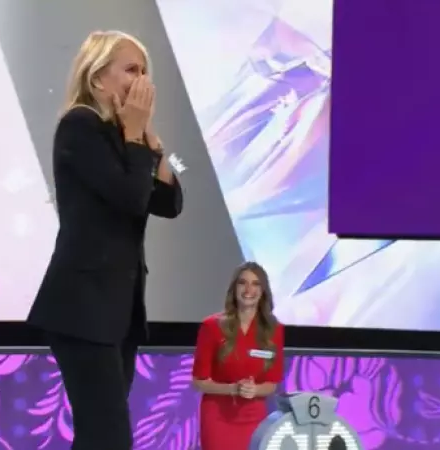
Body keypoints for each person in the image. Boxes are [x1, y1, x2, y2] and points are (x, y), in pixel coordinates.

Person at [27, 30, 183, 450]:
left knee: (99, 436)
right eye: (131, 70)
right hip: (83, 306)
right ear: (98, 78)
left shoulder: (123, 136)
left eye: (145, 71)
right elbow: (131, 197)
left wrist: (149, 138)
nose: (142, 80)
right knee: (108, 437)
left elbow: (169, 202)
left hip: (116, 311)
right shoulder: (80, 125)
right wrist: (134, 134)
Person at [192, 261, 285, 450]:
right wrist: (233, 389)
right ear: (234, 288)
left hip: (255, 419)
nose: (248, 289)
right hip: (218, 418)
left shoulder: (274, 330)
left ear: (263, 291)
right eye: (243, 283)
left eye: (256, 284)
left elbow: (272, 384)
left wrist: (254, 390)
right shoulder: (211, 327)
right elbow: (199, 381)